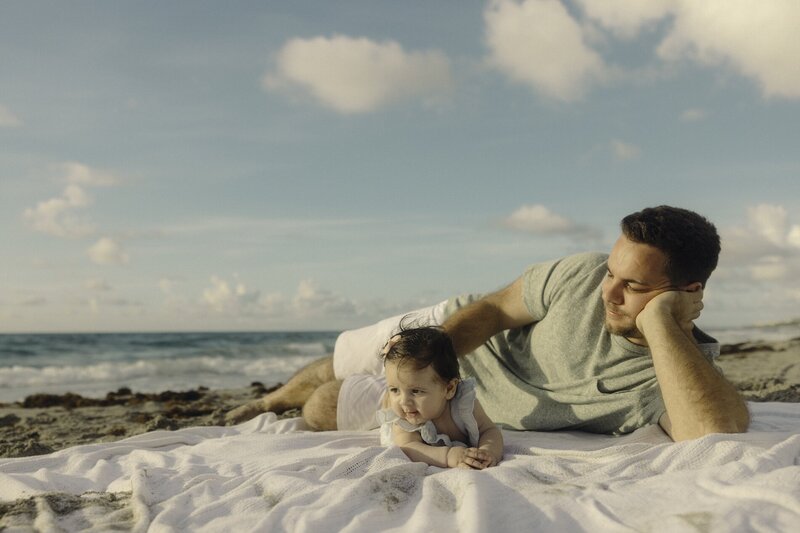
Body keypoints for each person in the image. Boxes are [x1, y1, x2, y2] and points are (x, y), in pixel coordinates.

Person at [227, 206, 750, 442]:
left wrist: (660, 323)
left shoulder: (684, 374)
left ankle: (292, 402)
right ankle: (271, 400)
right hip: (455, 335)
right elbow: (497, 308)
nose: (606, 292)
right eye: (611, 272)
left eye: (633, 287)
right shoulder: (584, 274)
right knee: (343, 361)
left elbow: (713, 432)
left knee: (323, 405)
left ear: (688, 292)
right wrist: (433, 354)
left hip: (470, 395)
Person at [356, 325, 503, 469]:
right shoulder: (404, 419)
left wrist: (488, 451)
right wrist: (448, 455)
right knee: (388, 403)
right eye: (394, 389)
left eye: (416, 391)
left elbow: (489, 430)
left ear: (449, 389)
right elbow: (409, 448)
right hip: (392, 420)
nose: (404, 401)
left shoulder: (463, 404)